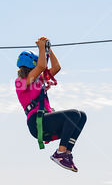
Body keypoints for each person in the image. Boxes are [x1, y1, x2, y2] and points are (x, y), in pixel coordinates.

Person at [15, 37, 87, 172]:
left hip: (45, 121)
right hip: (37, 123)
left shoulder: (37, 80)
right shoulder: (21, 82)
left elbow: (56, 68)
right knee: (73, 115)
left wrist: (48, 49)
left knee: (81, 116)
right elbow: (41, 66)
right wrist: (41, 48)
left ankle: (66, 153)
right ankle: (59, 153)